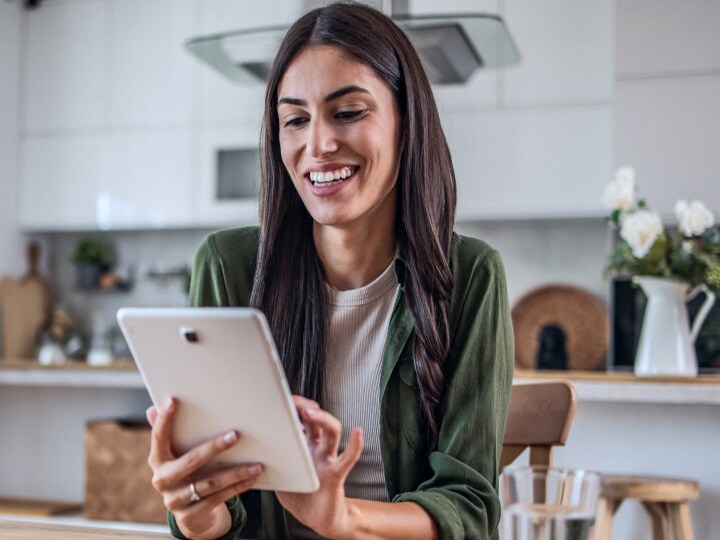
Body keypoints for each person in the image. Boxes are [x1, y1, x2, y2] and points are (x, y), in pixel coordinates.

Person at [146, 2, 514, 539]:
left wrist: (343, 520)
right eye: (296, 119)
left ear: (406, 124)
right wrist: (196, 512)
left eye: (348, 112)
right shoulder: (229, 267)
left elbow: (470, 509)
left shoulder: (471, 275)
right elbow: (219, 505)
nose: (317, 144)